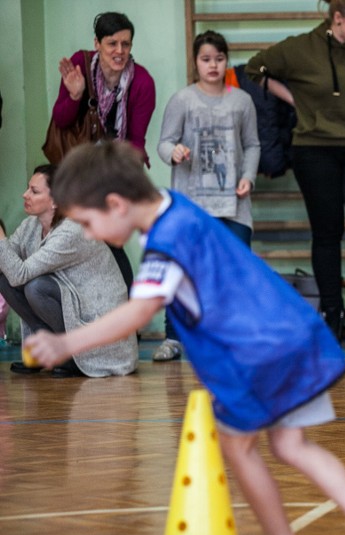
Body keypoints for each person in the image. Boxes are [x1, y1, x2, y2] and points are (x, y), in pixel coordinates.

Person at [25, 142, 345, 535]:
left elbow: (139, 310)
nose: (90, 233)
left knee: (239, 446)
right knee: (291, 445)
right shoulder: (175, 206)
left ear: (115, 204)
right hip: (290, 334)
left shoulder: (166, 243)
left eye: (88, 222)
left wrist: (65, 342)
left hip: (259, 353)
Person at [245, 0, 345, 353]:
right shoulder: (301, 48)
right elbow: (256, 67)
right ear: (337, 18)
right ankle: (331, 313)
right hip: (315, 150)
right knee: (327, 233)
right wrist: (296, 100)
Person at [154, 30, 260, 362]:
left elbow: (253, 145)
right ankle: (173, 338)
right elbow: (162, 143)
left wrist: (248, 177)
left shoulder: (241, 101)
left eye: (218, 58)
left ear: (226, 60)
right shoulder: (182, 100)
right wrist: (175, 152)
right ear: (196, 62)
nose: (212, 65)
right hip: (190, 203)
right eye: (205, 59)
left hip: (234, 204)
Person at [49, 11, 156, 292]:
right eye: (112, 43)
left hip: (112, 172)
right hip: (76, 168)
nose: (119, 51)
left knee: (109, 242)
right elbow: (60, 120)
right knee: (73, 240)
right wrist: (75, 95)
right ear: (97, 43)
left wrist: (119, 182)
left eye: (126, 44)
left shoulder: (142, 82)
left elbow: (136, 141)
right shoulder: (79, 66)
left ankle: (128, 321)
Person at [1, 164, 137, 378]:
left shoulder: (72, 231)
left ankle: (70, 356)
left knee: (36, 287)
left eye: (34, 191)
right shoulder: (31, 225)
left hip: (101, 329)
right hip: (75, 310)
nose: (25, 195)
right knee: (5, 276)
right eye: (28, 188)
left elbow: (20, 274)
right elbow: (8, 262)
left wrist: (0, 236)